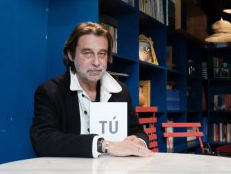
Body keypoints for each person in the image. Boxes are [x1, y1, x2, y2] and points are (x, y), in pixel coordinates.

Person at [30, 22, 153, 158]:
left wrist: (138, 142)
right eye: (87, 53)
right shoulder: (49, 91)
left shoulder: (121, 91)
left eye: (102, 54)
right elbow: (43, 140)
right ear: (71, 55)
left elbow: (138, 132)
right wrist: (104, 145)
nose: (96, 62)